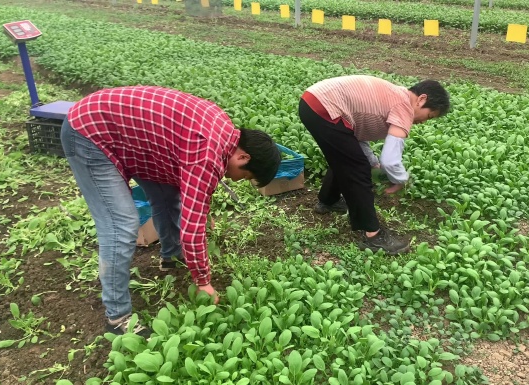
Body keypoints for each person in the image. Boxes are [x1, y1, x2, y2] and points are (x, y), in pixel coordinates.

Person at [61, 86, 281, 337]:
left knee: (167, 195)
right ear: (243, 157)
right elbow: (192, 228)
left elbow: (191, 193)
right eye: (245, 177)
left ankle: (172, 258)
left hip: (123, 131)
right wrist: (203, 282)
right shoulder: (207, 156)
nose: (237, 180)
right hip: (90, 133)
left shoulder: (224, 129)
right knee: (120, 225)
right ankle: (118, 317)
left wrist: (199, 209)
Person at [299, 75, 450, 255]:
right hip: (325, 106)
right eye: (429, 116)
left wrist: (374, 163)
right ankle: (373, 236)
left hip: (314, 102)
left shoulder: (392, 97)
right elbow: (391, 160)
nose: (424, 121)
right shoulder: (404, 107)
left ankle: (328, 201)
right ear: (422, 99)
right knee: (356, 168)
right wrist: (401, 179)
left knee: (346, 157)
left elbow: (355, 140)